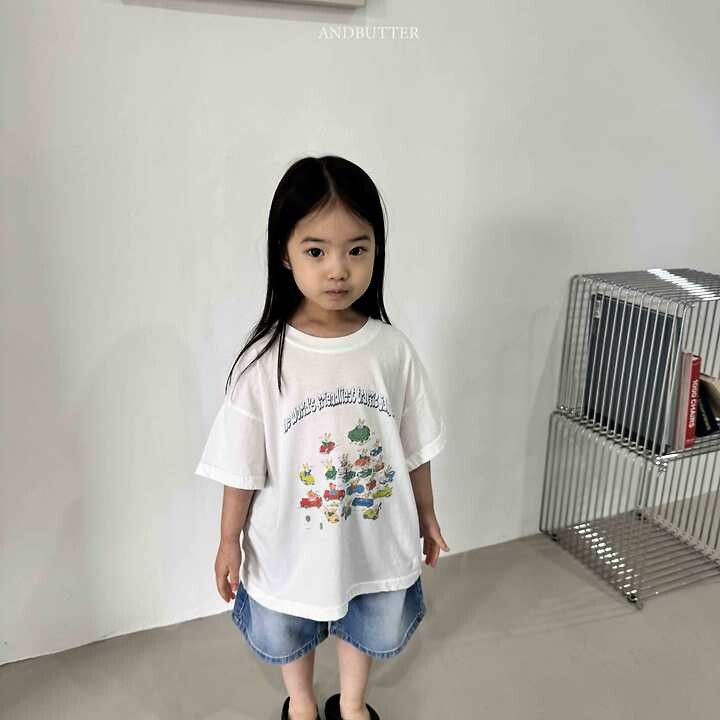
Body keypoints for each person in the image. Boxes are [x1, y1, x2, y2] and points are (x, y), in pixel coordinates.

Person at [194, 155, 450, 720]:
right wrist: (228, 539)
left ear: (377, 251)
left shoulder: (391, 350)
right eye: (316, 251)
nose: (338, 270)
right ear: (284, 253)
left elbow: (414, 447)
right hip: (290, 544)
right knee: (290, 625)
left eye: (356, 250)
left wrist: (427, 514)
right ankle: (303, 704)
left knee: (368, 616)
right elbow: (241, 466)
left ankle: (353, 705)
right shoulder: (264, 362)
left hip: (373, 536)